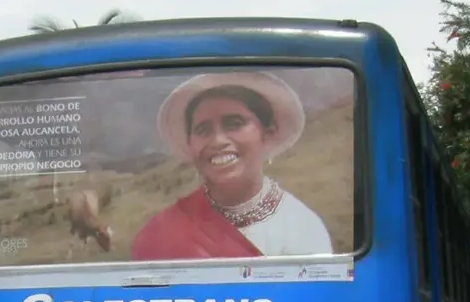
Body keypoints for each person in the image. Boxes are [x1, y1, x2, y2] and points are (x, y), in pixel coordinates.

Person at [131, 71, 334, 261]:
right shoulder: (163, 231)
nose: (218, 140)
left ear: (268, 132)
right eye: (203, 129)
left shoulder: (302, 229)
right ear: (190, 144)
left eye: (234, 123)